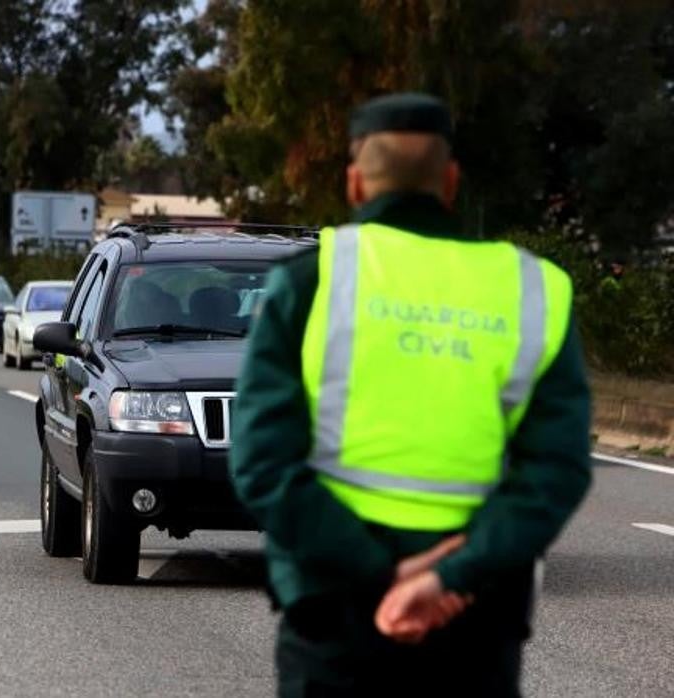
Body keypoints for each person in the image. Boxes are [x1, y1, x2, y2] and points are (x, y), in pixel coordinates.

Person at [228, 93, 592, 696]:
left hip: (335, 613)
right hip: (473, 616)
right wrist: (448, 577)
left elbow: (262, 464)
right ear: (451, 181)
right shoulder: (533, 289)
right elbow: (556, 472)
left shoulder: (310, 282)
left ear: (354, 183)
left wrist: (378, 575)